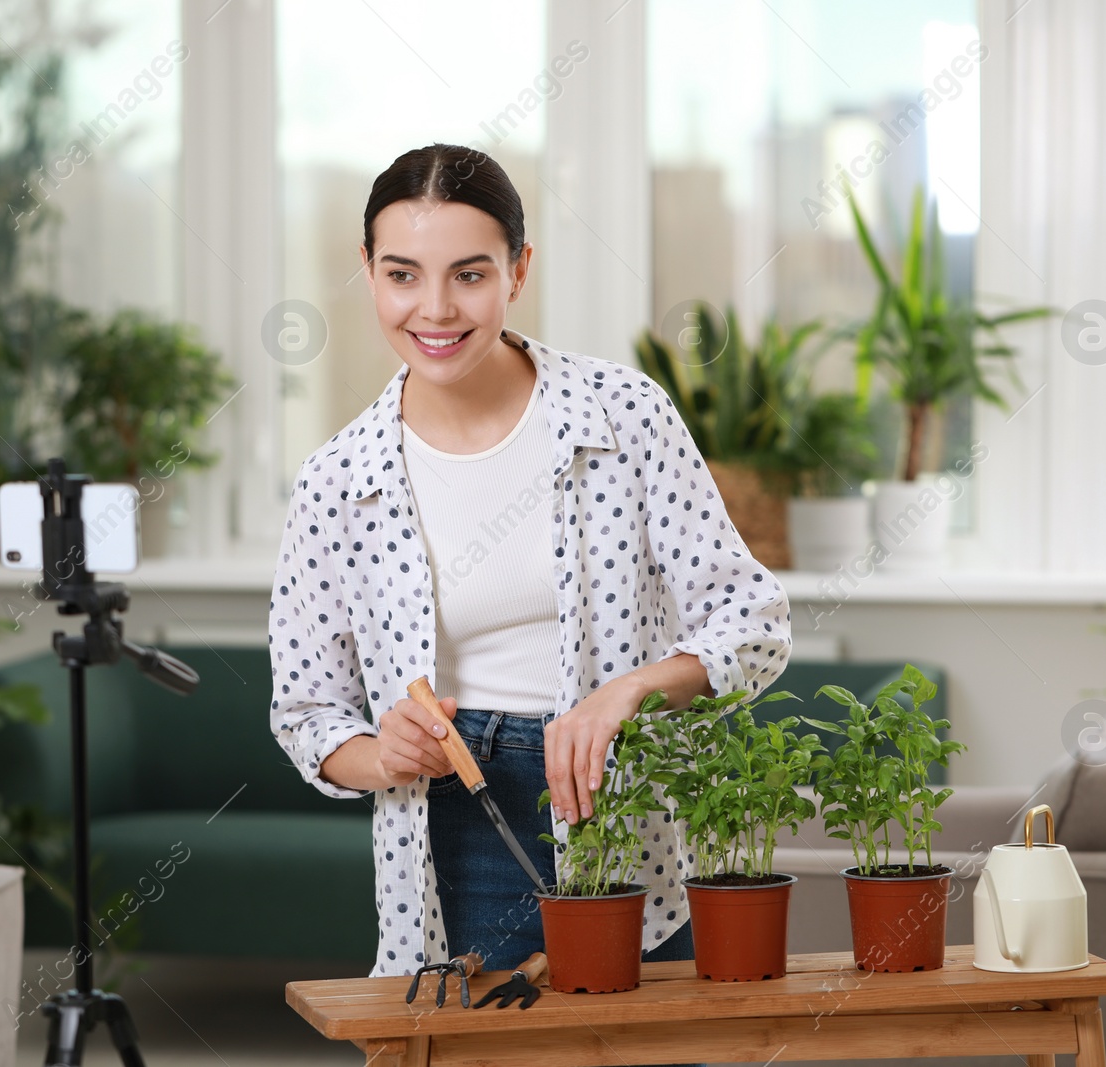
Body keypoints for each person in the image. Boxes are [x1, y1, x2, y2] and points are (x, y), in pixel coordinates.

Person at [268, 143, 791, 992]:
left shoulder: (625, 414)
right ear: (366, 271)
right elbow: (306, 711)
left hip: (628, 809)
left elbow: (753, 622)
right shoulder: (337, 478)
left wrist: (626, 692)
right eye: (402, 274)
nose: (434, 308)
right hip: (454, 823)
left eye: (469, 274)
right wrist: (381, 752)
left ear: (519, 270)